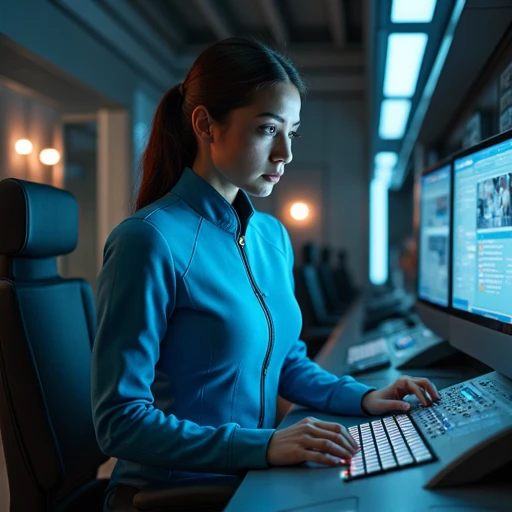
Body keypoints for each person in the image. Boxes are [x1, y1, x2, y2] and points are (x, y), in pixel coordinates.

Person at [91, 37, 440, 511]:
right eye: (266, 130)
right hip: (170, 495)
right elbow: (120, 421)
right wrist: (263, 445)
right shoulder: (148, 239)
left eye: (291, 133)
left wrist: (364, 397)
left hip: (247, 476)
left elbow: (287, 361)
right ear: (205, 125)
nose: (285, 153)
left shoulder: (271, 236)